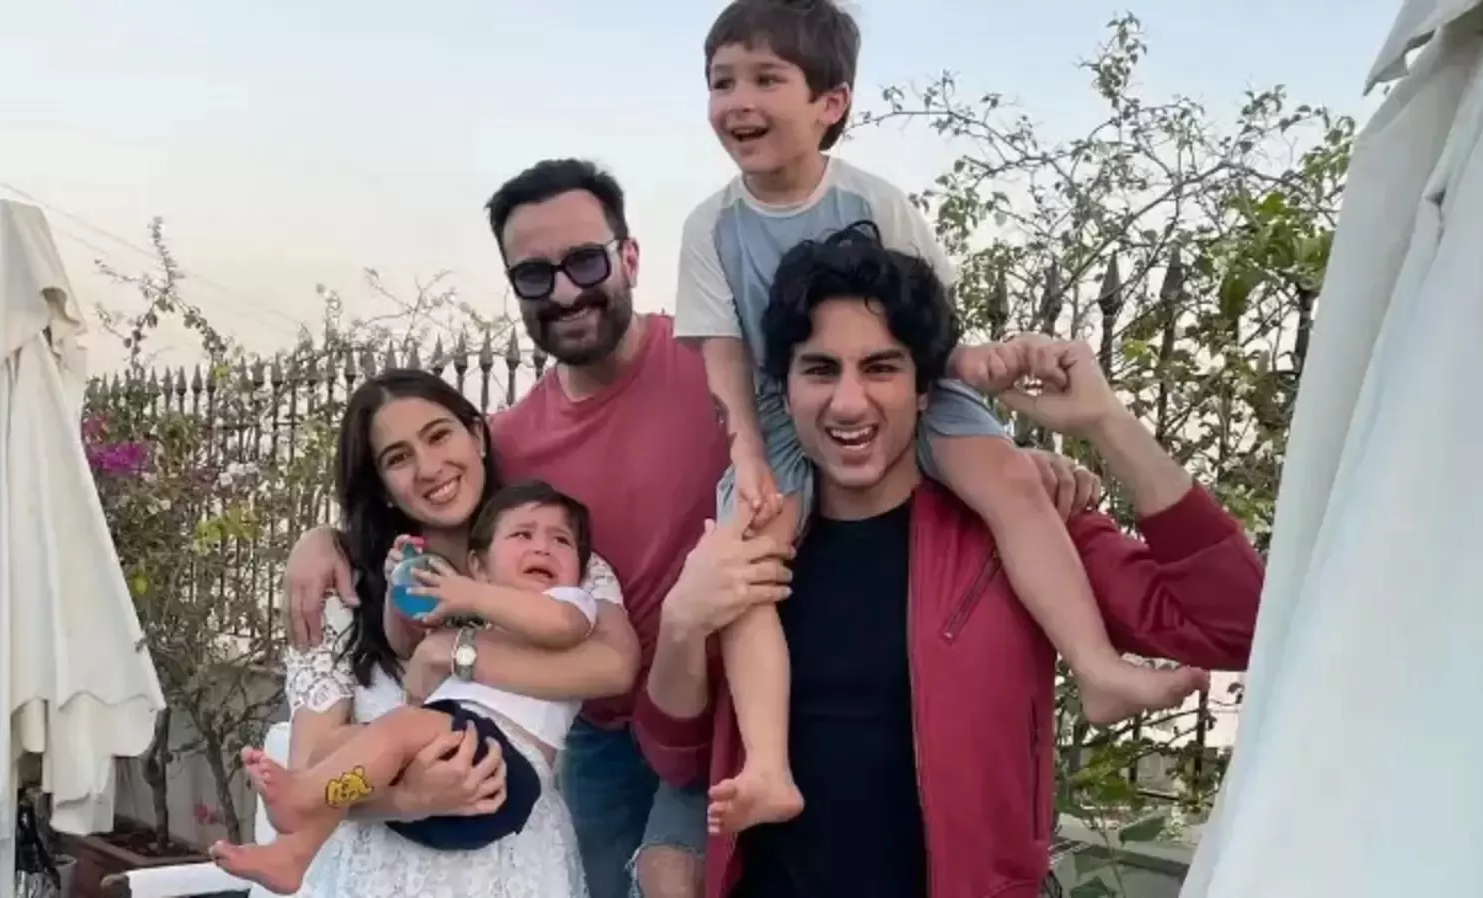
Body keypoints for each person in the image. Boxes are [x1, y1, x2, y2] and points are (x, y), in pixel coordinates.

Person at [282, 160, 1107, 898]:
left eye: (585, 261)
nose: (564, 290)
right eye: (534, 274)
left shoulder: (722, 368)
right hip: (598, 735)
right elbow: (428, 490)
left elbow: (857, 411)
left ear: (630, 257)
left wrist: (1007, 461)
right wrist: (322, 545)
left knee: (688, 874)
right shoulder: (511, 443)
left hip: (731, 709)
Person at [674, 0, 1208, 833]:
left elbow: (927, 331)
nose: (738, 101)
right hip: (785, 409)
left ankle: (1096, 667)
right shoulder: (711, 226)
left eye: (765, 80)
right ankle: (769, 766)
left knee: (1009, 480)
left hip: (909, 379)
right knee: (748, 563)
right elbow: (724, 359)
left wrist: (978, 366)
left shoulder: (874, 200)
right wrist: (745, 454)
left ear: (830, 103)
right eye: (721, 82)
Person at [636, 227, 1266, 898]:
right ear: (784, 393)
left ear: (925, 388)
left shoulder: (1021, 530)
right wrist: (682, 622)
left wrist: (1109, 424)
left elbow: (1237, 626)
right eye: (820, 370)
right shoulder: (751, 536)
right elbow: (677, 755)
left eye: (881, 368)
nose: (848, 402)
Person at [263, 369, 641, 898]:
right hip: (369, 875)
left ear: (478, 436)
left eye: (439, 435)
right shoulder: (340, 585)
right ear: (382, 486)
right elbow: (312, 766)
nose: (429, 467)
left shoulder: (553, 562)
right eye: (398, 458)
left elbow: (614, 665)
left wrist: (455, 651)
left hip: (512, 867)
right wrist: (407, 800)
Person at [211, 480, 604, 894]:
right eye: (523, 535)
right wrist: (402, 585)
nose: (542, 547)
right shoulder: (481, 622)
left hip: (506, 768)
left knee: (401, 727)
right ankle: (297, 852)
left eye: (561, 540)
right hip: (452, 765)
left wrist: (471, 594)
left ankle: (304, 796)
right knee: (341, 748)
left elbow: (562, 625)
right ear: (480, 564)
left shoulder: (569, 603)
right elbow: (407, 652)